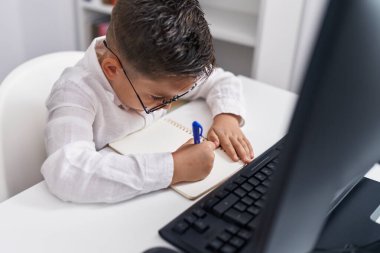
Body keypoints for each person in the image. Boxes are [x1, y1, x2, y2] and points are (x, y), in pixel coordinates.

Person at [41, 0, 254, 203]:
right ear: (112, 69)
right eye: (157, 97)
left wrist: (227, 117)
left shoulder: (159, 72)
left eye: (177, 96)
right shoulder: (74, 91)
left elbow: (223, 81)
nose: (168, 105)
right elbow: (68, 172)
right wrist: (174, 168)